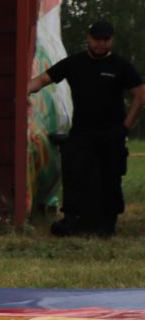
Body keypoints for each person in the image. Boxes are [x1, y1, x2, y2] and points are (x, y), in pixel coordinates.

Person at [27, 21, 144, 237]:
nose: (101, 44)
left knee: (111, 177)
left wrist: (126, 126)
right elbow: (43, 79)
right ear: (88, 38)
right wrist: (23, 90)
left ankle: (108, 223)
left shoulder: (121, 65)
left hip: (112, 133)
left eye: (106, 39)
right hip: (82, 132)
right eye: (97, 39)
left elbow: (140, 93)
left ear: (111, 40)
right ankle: (71, 219)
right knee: (73, 174)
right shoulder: (74, 63)